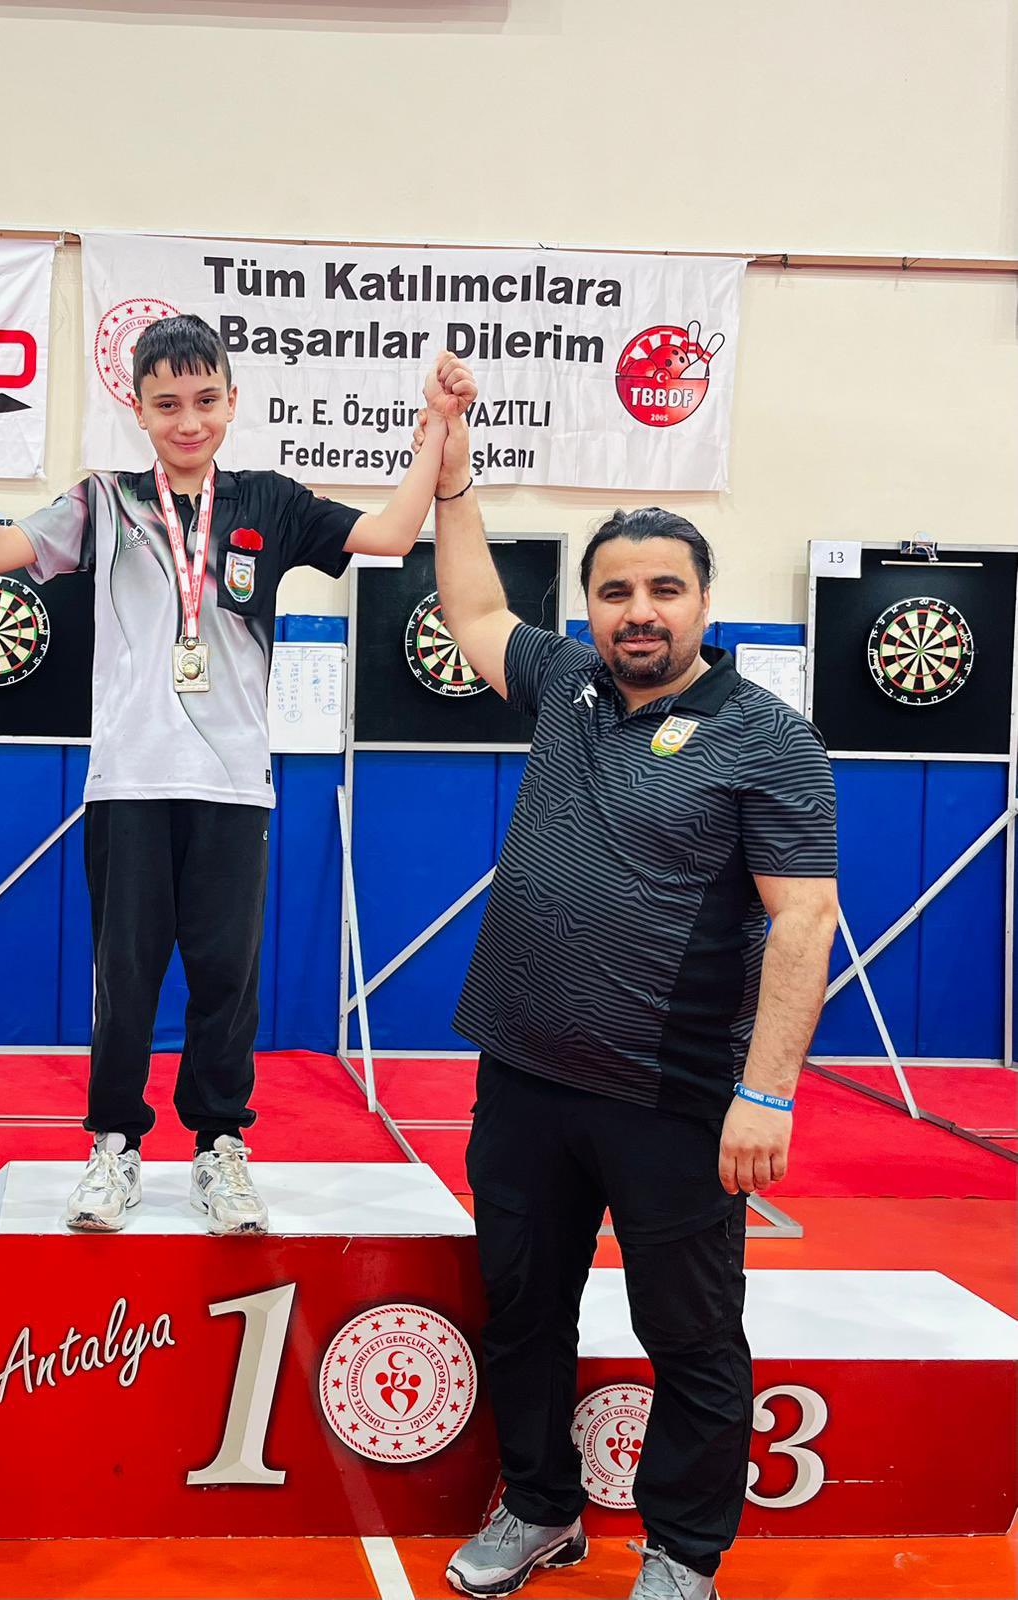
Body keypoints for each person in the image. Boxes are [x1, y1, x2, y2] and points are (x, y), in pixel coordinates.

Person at [419, 396, 838, 1600]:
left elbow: (804, 919)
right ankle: (540, 1506)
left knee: (690, 1334)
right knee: (523, 1309)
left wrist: (767, 1092)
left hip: (676, 1098)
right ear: (590, 607)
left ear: (703, 602)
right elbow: (474, 609)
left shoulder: (768, 739)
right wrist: (453, 480)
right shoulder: (565, 683)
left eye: (663, 589)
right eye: (614, 592)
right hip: (523, 1079)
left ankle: (683, 1552)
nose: (638, 611)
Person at [0, 317, 475, 1234]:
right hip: (128, 783)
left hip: (233, 787)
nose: (189, 421)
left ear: (232, 400)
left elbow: (388, 535)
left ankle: (220, 1148)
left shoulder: (271, 501)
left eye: (206, 401)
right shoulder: (105, 501)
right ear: (138, 410)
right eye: (168, 405)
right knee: (125, 979)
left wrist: (436, 431)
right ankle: (114, 1144)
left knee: (227, 979)